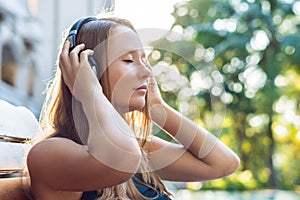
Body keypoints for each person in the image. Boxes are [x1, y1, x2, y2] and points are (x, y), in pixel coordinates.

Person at [23, 15, 240, 200]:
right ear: (89, 69)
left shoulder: (138, 149)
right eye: (128, 60)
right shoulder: (48, 155)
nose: (147, 73)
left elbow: (223, 164)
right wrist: (89, 91)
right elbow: (121, 159)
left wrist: (158, 109)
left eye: (144, 60)